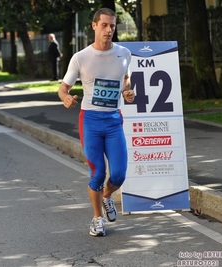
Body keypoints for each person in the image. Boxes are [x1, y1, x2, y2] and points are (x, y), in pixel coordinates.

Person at [58, 7, 135, 237]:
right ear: (94, 26)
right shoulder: (80, 57)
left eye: (112, 26)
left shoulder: (124, 53)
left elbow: (125, 80)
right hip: (90, 120)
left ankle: (107, 196)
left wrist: (128, 92)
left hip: (113, 121)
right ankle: (97, 219)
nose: (109, 30)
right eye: (104, 25)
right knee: (98, 173)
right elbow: (63, 89)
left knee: (119, 175)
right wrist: (66, 98)